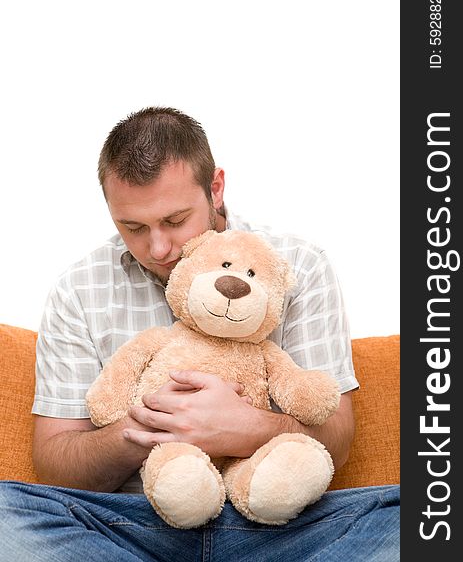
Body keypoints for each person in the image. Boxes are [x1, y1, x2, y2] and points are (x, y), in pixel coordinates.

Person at [0, 107, 399, 561]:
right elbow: (56, 462)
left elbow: (338, 435)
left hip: (281, 531)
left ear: (216, 188)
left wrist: (250, 429)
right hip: (131, 529)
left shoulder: (294, 265)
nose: (158, 248)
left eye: (174, 220)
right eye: (132, 227)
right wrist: (146, 427)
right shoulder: (80, 287)